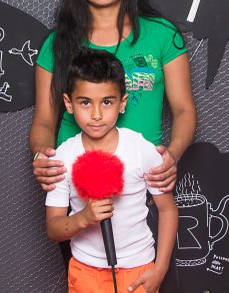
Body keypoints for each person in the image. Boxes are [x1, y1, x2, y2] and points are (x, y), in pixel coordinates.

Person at [30, 0, 197, 193]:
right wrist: (41, 155)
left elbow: (184, 109)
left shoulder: (162, 34)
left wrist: (172, 156)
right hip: (76, 181)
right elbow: (44, 120)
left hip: (143, 178)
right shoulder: (57, 43)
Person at [46, 49, 178, 293]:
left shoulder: (140, 149)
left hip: (137, 270)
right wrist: (84, 218)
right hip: (86, 271)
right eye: (85, 102)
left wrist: (160, 268)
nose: (96, 115)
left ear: (122, 103)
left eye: (106, 102)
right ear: (69, 103)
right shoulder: (63, 157)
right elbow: (54, 229)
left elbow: (167, 209)